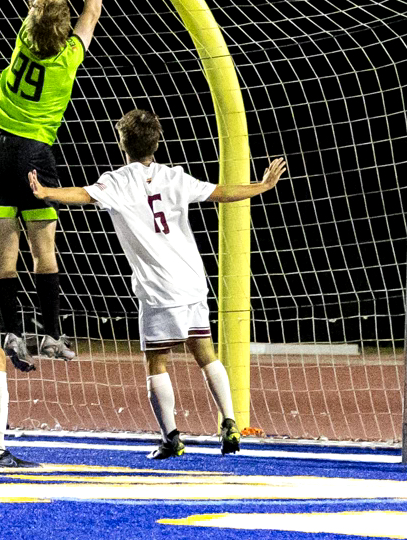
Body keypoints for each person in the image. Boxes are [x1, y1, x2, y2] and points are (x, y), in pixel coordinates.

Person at [29, 109, 287, 459]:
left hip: (158, 288)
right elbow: (221, 192)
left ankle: (170, 437)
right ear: (158, 142)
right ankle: (230, 422)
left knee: (157, 361)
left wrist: (46, 191)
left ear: (122, 143)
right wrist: (263, 186)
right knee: (205, 352)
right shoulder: (175, 176)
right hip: (192, 280)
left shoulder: (118, 181)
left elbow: (83, 195)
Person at [0, 0, 115, 370]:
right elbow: (91, 13)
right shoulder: (66, 58)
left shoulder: (24, 40)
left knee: (4, 250)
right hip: (34, 155)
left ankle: (12, 332)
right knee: (44, 250)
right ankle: (51, 334)